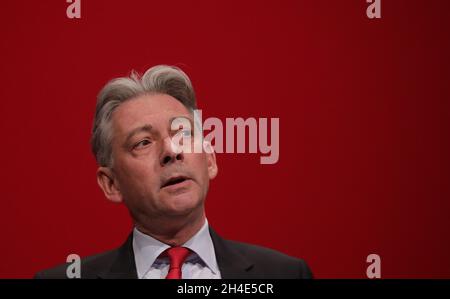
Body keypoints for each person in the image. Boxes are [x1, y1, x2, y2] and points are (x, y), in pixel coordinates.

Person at [35, 65, 312, 279]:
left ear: (210, 159)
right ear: (111, 184)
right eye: (143, 142)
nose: (171, 150)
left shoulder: (284, 274)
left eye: (182, 133)